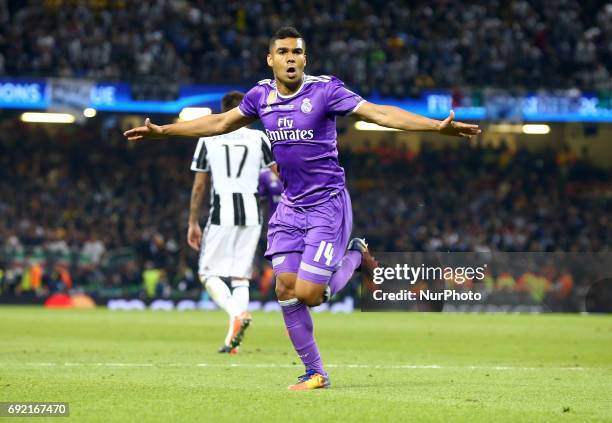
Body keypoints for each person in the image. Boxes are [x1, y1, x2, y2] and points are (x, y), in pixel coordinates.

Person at [124, 26, 481, 390]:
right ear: (271, 59)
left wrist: (436, 126)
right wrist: (165, 131)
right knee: (284, 288)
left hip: (327, 205)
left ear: (304, 58)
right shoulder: (260, 96)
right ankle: (316, 372)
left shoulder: (325, 90)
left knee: (309, 294)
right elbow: (219, 123)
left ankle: (355, 256)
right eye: (282, 52)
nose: (290, 58)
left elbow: (379, 114)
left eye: (296, 52)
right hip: (291, 207)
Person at [187, 91, 276, 354]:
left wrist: (193, 220)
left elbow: (200, 185)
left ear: (223, 112)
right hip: (252, 214)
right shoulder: (259, 138)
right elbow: (279, 174)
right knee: (240, 277)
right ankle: (231, 340)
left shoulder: (208, 137)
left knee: (206, 272)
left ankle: (238, 313)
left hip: (222, 213)